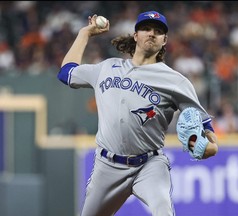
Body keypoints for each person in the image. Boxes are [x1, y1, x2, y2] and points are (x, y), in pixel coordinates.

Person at [57, 10, 218, 216]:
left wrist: (211, 147)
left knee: (164, 212)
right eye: (146, 28)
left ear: (164, 40)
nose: (151, 33)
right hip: (107, 166)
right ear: (135, 35)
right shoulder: (107, 67)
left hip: (149, 165)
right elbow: (66, 73)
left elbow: (206, 126)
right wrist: (84, 34)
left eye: (158, 31)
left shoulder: (176, 81)